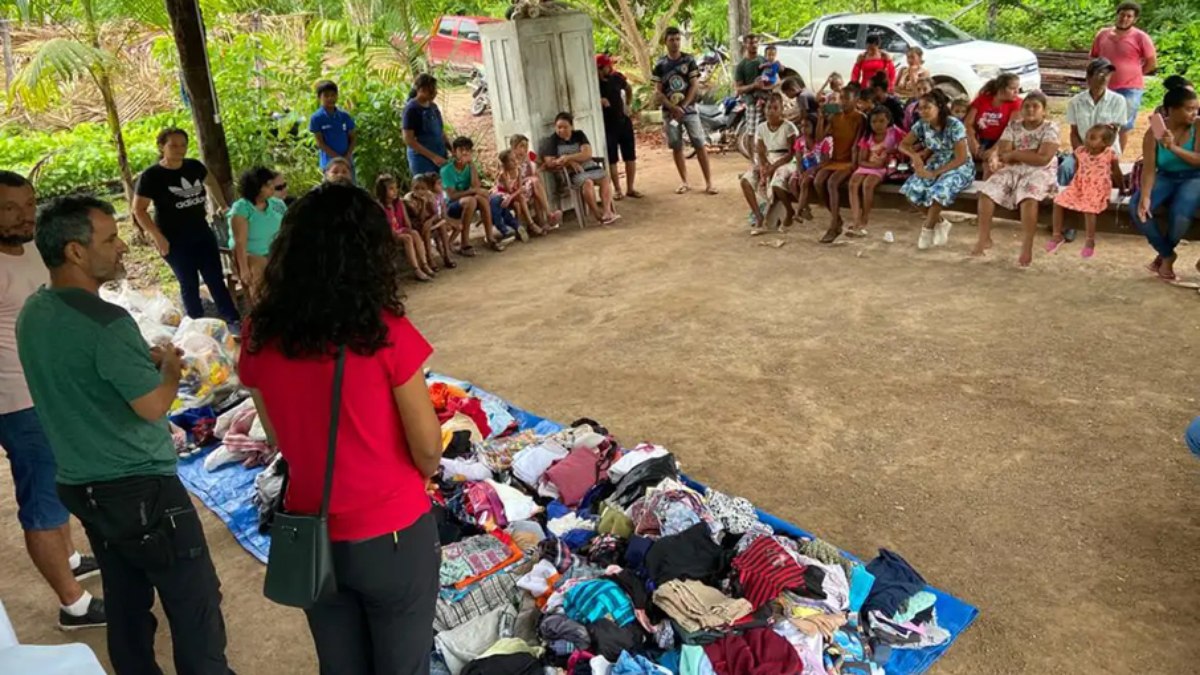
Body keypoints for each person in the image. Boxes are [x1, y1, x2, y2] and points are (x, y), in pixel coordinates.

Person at [19, 195, 234, 675]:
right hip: (141, 488)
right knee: (194, 602)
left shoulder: (36, 310)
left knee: (126, 599)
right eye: (110, 238)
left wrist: (146, 363)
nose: (121, 247)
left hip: (81, 482)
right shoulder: (107, 323)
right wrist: (173, 370)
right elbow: (154, 405)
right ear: (75, 251)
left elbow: (84, 376)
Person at [238, 183, 442, 675]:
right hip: (392, 533)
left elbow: (278, 438)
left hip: (313, 530)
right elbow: (428, 450)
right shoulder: (384, 330)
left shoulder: (259, 335)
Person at [0, 171, 106, 630]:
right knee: (41, 499)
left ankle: (70, 557)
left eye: (30, 204)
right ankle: (73, 605)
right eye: (11, 208)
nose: (26, 216)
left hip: (47, 387)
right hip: (15, 399)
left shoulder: (31, 250)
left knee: (58, 483)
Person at [132, 127, 241, 329]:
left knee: (215, 278)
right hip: (173, 238)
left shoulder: (194, 167)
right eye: (173, 145)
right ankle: (196, 325)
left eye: (183, 145)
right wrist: (157, 236)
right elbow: (139, 210)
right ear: (161, 147)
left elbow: (210, 181)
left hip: (201, 232)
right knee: (189, 282)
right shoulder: (152, 176)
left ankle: (232, 319)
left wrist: (221, 204)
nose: (179, 149)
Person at [970, 91, 1061, 264]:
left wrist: (1016, 153)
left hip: (1040, 171)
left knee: (1028, 198)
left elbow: (1043, 159)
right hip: (1013, 169)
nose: (1030, 110)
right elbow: (1004, 153)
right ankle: (984, 238)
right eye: (1026, 106)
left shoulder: (1051, 127)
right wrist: (1026, 154)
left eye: (1035, 106)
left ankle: (1027, 246)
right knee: (987, 192)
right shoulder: (1014, 126)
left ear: (1044, 111)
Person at [1131, 86, 1200, 282]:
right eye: (1189, 109)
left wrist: (1173, 148)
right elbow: (1149, 169)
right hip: (1166, 175)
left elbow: (1198, 160)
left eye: (1196, 108)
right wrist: (1145, 196)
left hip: (1195, 176)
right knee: (1138, 208)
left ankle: (1163, 257)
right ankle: (1167, 253)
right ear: (1171, 110)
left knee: (1180, 213)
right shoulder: (1155, 131)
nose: (1194, 113)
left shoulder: (1198, 126)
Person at [899, 89, 974, 250]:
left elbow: (961, 158)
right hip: (936, 161)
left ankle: (927, 229)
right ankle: (941, 222)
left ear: (939, 106)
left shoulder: (954, 125)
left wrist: (934, 173)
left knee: (940, 190)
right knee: (912, 191)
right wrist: (916, 158)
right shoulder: (922, 125)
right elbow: (903, 145)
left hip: (959, 166)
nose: (923, 111)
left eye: (927, 107)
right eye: (920, 108)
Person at [654, 26, 716, 195]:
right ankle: (684, 181)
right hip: (670, 113)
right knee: (676, 146)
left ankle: (709, 183)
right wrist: (672, 107)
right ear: (665, 42)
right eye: (671, 40)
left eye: (677, 39)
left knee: (699, 143)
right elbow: (658, 91)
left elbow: (694, 84)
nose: (675, 43)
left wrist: (683, 106)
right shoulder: (660, 64)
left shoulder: (688, 60)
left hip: (689, 110)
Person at [1049, 124, 1124, 259]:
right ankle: (1056, 234)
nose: (1088, 140)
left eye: (1093, 138)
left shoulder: (1109, 154)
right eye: (1088, 137)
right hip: (1080, 185)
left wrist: (1122, 189)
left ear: (1105, 143)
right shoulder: (1080, 152)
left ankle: (1090, 240)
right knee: (1058, 202)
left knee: (1089, 208)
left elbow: (1117, 173)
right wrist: (1075, 186)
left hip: (1098, 187)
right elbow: (1079, 170)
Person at [1090, 1, 1157, 151]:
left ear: (1135, 19)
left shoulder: (1141, 37)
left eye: (1129, 16)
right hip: (1103, 87)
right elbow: (1094, 58)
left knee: (1123, 124)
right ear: (1117, 15)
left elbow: (1151, 62)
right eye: (1122, 14)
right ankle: (1099, 154)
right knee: (1100, 121)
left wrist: (1134, 74)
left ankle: (1117, 158)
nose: (1124, 18)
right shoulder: (1103, 34)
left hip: (1130, 88)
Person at [539, 112, 620, 225]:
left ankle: (607, 211)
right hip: (572, 173)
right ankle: (597, 214)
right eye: (558, 127)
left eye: (564, 127)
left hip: (590, 166)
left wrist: (568, 157)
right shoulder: (552, 141)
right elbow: (550, 162)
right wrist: (570, 163)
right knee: (588, 183)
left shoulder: (579, 135)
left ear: (571, 126)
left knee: (605, 178)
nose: (561, 130)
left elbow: (587, 154)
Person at [1060, 58, 1128, 186]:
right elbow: (1074, 133)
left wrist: (1101, 156)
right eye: (1100, 74)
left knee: (1098, 175)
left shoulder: (1118, 100)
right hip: (1082, 150)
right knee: (1065, 168)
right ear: (1089, 78)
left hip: (1106, 152)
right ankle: (1061, 200)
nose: (1104, 78)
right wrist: (1081, 154)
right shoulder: (1075, 102)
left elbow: (1115, 133)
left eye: (1108, 74)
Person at [739, 93, 798, 233]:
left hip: (786, 160)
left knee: (777, 182)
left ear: (781, 110)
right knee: (745, 180)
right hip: (769, 159)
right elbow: (760, 151)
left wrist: (773, 167)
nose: (771, 111)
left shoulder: (789, 127)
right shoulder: (761, 127)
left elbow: (791, 153)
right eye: (768, 108)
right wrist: (763, 166)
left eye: (775, 108)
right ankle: (759, 216)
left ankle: (789, 211)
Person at [814, 85, 865, 243]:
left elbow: (858, 142)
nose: (842, 102)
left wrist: (855, 165)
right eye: (841, 98)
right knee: (817, 182)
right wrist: (821, 119)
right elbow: (819, 138)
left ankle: (833, 225)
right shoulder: (835, 117)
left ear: (855, 100)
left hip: (849, 161)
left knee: (832, 183)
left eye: (846, 99)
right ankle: (836, 219)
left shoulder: (860, 118)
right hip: (835, 160)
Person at [227, 166, 286, 303]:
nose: (272, 188)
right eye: (268, 185)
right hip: (252, 254)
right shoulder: (242, 207)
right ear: (256, 187)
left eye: (272, 184)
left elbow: (287, 227)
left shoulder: (277, 203)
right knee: (259, 275)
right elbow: (240, 242)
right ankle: (262, 311)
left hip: (275, 250)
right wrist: (243, 269)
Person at [441, 136, 505, 253]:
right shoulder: (446, 170)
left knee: (481, 199)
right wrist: (472, 191)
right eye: (461, 150)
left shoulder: (470, 166)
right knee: (471, 200)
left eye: (468, 150)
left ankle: (490, 237)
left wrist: (471, 166)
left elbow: (476, 186)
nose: (465, 153)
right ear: (454, 152)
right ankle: (464, 243)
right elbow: (452, 196)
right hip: (451, 206)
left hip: (469, 200)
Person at [847, 107, 903, 236]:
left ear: (888, 120)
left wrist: (891, 152)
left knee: (868, 185)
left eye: (881, 121)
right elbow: (861, 160)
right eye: (874, 122)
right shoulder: (868, 137)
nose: (878, 125)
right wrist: (872, 164)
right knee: (853, 184)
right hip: (868, 165)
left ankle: (864, 218)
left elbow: (904, 147)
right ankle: (855, 219)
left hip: (884, 168)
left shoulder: (895, 133)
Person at [597, 54, 641, 199]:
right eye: (606, 66)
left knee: (630, 156)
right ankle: (617, 189)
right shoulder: (593, 84)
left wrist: (628, 104)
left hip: (623, 121)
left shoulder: (616, 78)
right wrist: (599, 100)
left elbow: (628, 88)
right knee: (612, 158)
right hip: (607, 125)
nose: (609, 68)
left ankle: (630, 188)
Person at [375, 174, 435, 281]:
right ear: (383, 191)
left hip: (401, 230)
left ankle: (424, 264)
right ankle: (416, 269)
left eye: (395, 188)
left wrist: (407, 229)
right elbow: (386, 228)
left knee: (414, 234)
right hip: (389, 234)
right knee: (407, 238)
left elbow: (407, 223)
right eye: (391, 189)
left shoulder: (399, 203)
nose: (395, 191)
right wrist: (400, 233)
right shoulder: (379, 206)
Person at [965, 74, 1023, 175]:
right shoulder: (983, 99)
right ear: (1001, 88)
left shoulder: (1016, 103)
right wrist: (973, 141)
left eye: (1018, 88)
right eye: (1012, 88)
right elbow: (968, 123)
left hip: (1003, 141)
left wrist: (994, 149)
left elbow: (1010, 131)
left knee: (991, 162)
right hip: (980, 140)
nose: (1017, 92)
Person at [510, 134, 562, 230]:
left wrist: (539, 170)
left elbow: (542, 163)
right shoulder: (510, 160)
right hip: (517, 189)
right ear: (513, 148)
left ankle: (542, 223)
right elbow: (511, 180)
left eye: (526, 146)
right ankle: (549, 214)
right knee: (535, 181)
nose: (525, 149)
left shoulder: (529, 155)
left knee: (535, 184)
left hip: (529, 186)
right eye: (521, 146)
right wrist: (529, 179)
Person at [406, 173, 457, 270]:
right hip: (417, 225)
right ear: (412, 187)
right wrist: (423, 203)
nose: (420, 191)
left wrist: (430, 221)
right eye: (417, 188)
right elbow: (419, 217)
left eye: (423, 188)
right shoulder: (409, 199)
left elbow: (435, 213)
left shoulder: (429, 195)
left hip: (427, 222)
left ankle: (446, 256)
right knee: (428, 229)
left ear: (427, 188)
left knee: (441, 226)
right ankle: (430, 259)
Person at [403, 73, 451, 176]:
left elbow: (441, 132)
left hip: (440, 156)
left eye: (435, 90)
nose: (434, 93)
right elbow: (409, 139)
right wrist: (433, 157)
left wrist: (452, 149)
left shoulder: (433, 107)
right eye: (431, 91)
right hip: (422, 161)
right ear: (421, 90)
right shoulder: (411, 110)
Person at [309, 80, 356, 174]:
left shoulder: (344, 116)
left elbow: (353, 137)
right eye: (326, 95)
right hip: (329, 164)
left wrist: (346, 157)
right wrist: (338, 158)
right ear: (319, 97)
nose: (330, 98)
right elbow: (320, 143)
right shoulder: (316, 118)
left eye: (333, 95)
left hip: (347, 162)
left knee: (350, 187)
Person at [788, 114, 828, 223]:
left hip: (815, 169)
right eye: (802, 126)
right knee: (792, 183)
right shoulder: (799, 141)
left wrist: (812, 170)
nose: (804, 129)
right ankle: (806, 207)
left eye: (807, 126)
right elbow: (799, 159)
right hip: (803, 168)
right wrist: (800, 171)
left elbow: (825, 161)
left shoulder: (822, 142)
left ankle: (798, 212)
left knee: (804, 183)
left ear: (814, 127)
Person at [734, 33, 768, 158]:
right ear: (745, 44)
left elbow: (774, 78)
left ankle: (763, 159)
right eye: (750, 43)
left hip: (765, 101)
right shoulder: (741, 66)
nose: (753, 45)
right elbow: (738, 89)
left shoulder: (763, 60)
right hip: (751, 102)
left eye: (755, 42)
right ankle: (752, 160)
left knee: (765, 132)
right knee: (751, 132)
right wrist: (754, 86)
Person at [494, 150, 542, 238]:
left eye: (515, 159)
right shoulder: (503, 174)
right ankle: (530, 224)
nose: (515, 161)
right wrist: (511, 196)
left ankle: (524, 227)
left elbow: (519, 188)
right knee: (519, 199)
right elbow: (508, 191)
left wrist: (512, 196)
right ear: (505, 164)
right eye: (511, 160)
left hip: (513, 195)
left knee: (519, 201)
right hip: (503, 195)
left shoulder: (518, 169)